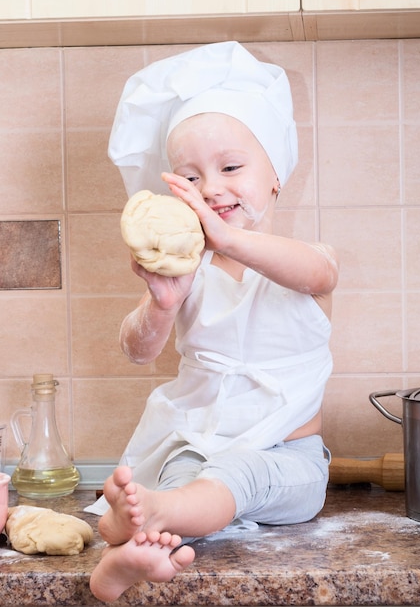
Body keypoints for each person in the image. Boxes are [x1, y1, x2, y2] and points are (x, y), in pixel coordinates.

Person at [87, 41, 339, 603]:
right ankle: (133, 553)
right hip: (198, 449)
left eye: (230, 167)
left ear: (276, 173)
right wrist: (162, 304)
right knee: (184, 483)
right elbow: (138, 350)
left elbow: (319, 276)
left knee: (236, 477)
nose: (213, 188)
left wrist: (228, 239)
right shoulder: (189, 272)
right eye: (191, 177)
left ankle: (142, 520)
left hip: (286, 461)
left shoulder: (301, 262)